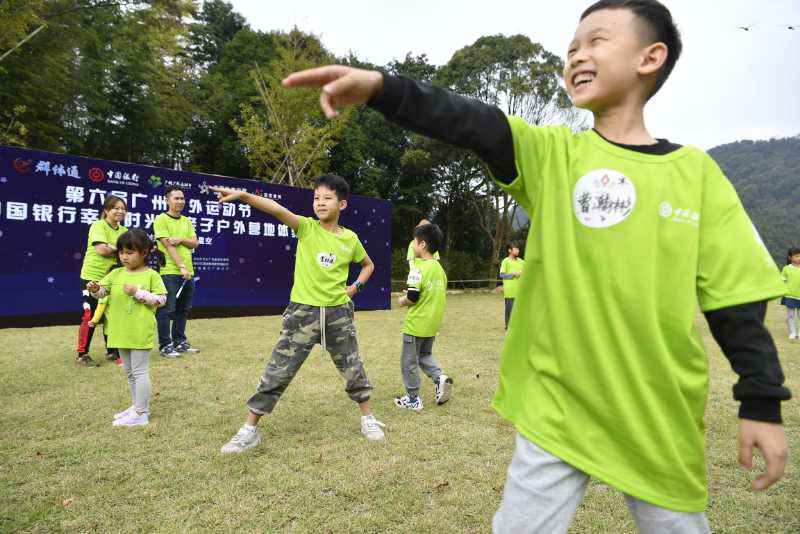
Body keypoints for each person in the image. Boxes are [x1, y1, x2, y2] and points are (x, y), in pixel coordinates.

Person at [282, 1, 792, 531]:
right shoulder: (555, 155)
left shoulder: (697, 175)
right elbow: (473, 122)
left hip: (657, 414)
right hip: (557, 404)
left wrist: (762, 401)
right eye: (572, 47)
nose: (577, 55)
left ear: (651, 56)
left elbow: (735, 301)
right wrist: (384, 89)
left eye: (596, 41)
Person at [212, 174, 386, 454]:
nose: (320, 202)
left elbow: (368, 265)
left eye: (327, 198)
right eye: (316, 197)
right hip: (301, 313)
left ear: (342, 204)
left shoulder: (350, 239)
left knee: (353, 368)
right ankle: (249, 430)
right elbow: (278, 210)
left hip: (338, 314)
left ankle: (368, 419)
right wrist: (245, 197)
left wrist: (354, 288)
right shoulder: (306, 228)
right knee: (277, 371)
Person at [87, 229, 167, 427]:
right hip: (119, 329)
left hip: (140, 330)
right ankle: (136, 406)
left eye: (130, 252)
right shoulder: (115, 273)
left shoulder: (152, 275)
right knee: (130, 372)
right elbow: (102, 293)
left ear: (145, 252)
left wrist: (138, 292)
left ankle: (142, 413)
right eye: (122, 252)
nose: (125, 256)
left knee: (139, 372)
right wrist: (96, 289)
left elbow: (161, 299)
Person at [395, 222, 453, 411]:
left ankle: (412, 399)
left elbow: (412, 297)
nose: (412, 244)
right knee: (424, 355)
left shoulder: (417, 268)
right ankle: (440, 378)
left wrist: (402, 300)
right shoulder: (439, 269)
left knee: (408, 362)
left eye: (414, 241)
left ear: (422, 245)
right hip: (431, 324)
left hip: (416, 324)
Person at [77, 195, 127, 367]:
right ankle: (82, 354)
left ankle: (112, 350)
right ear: (106, 210)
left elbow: (127, 253)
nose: (120, 211)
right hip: (92, 277)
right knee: (90, 314)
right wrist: (119, 249)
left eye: (123, 209)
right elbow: (102, 250)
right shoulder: (98, 225)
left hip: (113, 278)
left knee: (111, 315)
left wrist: (118, 249)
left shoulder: (124, 231)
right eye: (116, 208)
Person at [154, 186, 199, 358]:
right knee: (166, 309)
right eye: (176, 198)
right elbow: (167, 245)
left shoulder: (187, 221)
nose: (180, 201)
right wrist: (181, 267)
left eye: (182, 198)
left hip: (188, 273)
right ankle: (165, 345)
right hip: (170, 272)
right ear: (167, 200)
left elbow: (195, 243)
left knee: (184, 309)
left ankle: (180, 341)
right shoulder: (161, 219)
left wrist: (181, 239)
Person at [499, 242, 524, 329]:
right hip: (510, 291)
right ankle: (508, 326)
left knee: (520, 309)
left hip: (521, 290)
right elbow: (502, 275)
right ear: (510, 250)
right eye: (515, 249)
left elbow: (527, 271)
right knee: (510, 310)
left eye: (518, 249)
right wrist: (513, 274)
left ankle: (519, 326)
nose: (518, 250)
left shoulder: (521, 262)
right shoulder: (505, 261)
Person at [780, 247, 800, 340]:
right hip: (790, 296)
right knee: (790, 315)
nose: (799, 258)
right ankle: (792, 333)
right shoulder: (786, 269)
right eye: (797, 256)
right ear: (790, 257)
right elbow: (782, 281)